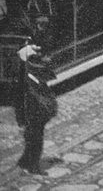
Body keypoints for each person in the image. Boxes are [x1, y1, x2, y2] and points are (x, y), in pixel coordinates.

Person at [15, 45, 57, 175]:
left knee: (32, 140)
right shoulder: (26, 80)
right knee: (35, 141)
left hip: (38, 116)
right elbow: (21, 101)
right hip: (32, 116)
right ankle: (33, 167)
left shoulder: (36, 78)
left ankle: (25, 161)